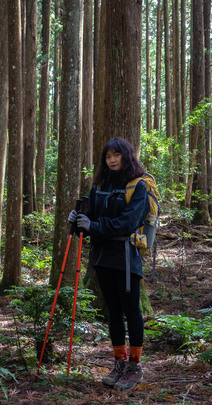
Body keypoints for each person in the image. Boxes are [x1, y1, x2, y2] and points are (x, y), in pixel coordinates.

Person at [67, 137, 149, 391]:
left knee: (132, 311)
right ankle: (119, 363)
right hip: (102, 257)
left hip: (126, 257)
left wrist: (94, 226)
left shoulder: (138, 186)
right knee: (113, 312)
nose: (112, 160)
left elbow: (128, 222)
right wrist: (77, 220)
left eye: (116, 155)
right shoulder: (100, 186)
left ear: (126, 156)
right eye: (107, 156)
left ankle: (135, 367)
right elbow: (90, 219)